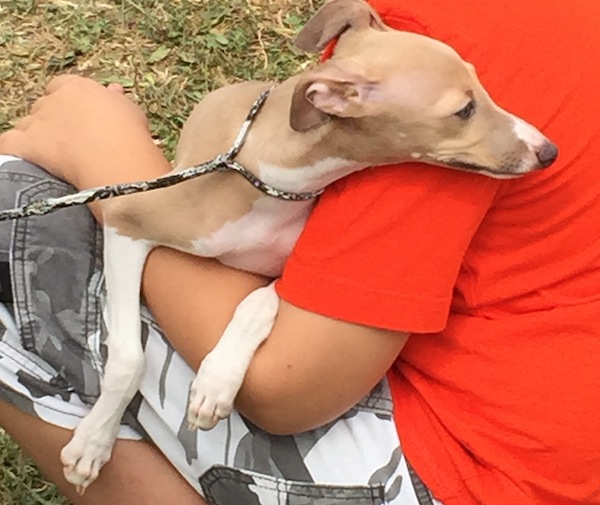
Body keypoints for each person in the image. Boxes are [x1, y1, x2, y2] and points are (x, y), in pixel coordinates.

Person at [0, 0, 599, 503]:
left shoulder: (434, 44)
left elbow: (287, 389)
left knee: (8, 200)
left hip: (478, 474)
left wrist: (104, 153)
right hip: (557, 433)